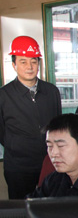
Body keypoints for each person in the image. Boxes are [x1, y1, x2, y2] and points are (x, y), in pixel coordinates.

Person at [0, 36, 62, 199]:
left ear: (39, 64)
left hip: (50, 162)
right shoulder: (4, 95)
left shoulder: (51, 91)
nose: (29, 67)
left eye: (33, 61)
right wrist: (17, 145)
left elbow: (57, 124)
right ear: (14, 65)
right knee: (21, 207)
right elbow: (2, 132)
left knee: (51, 205)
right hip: (18, 166)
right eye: (23, 62)